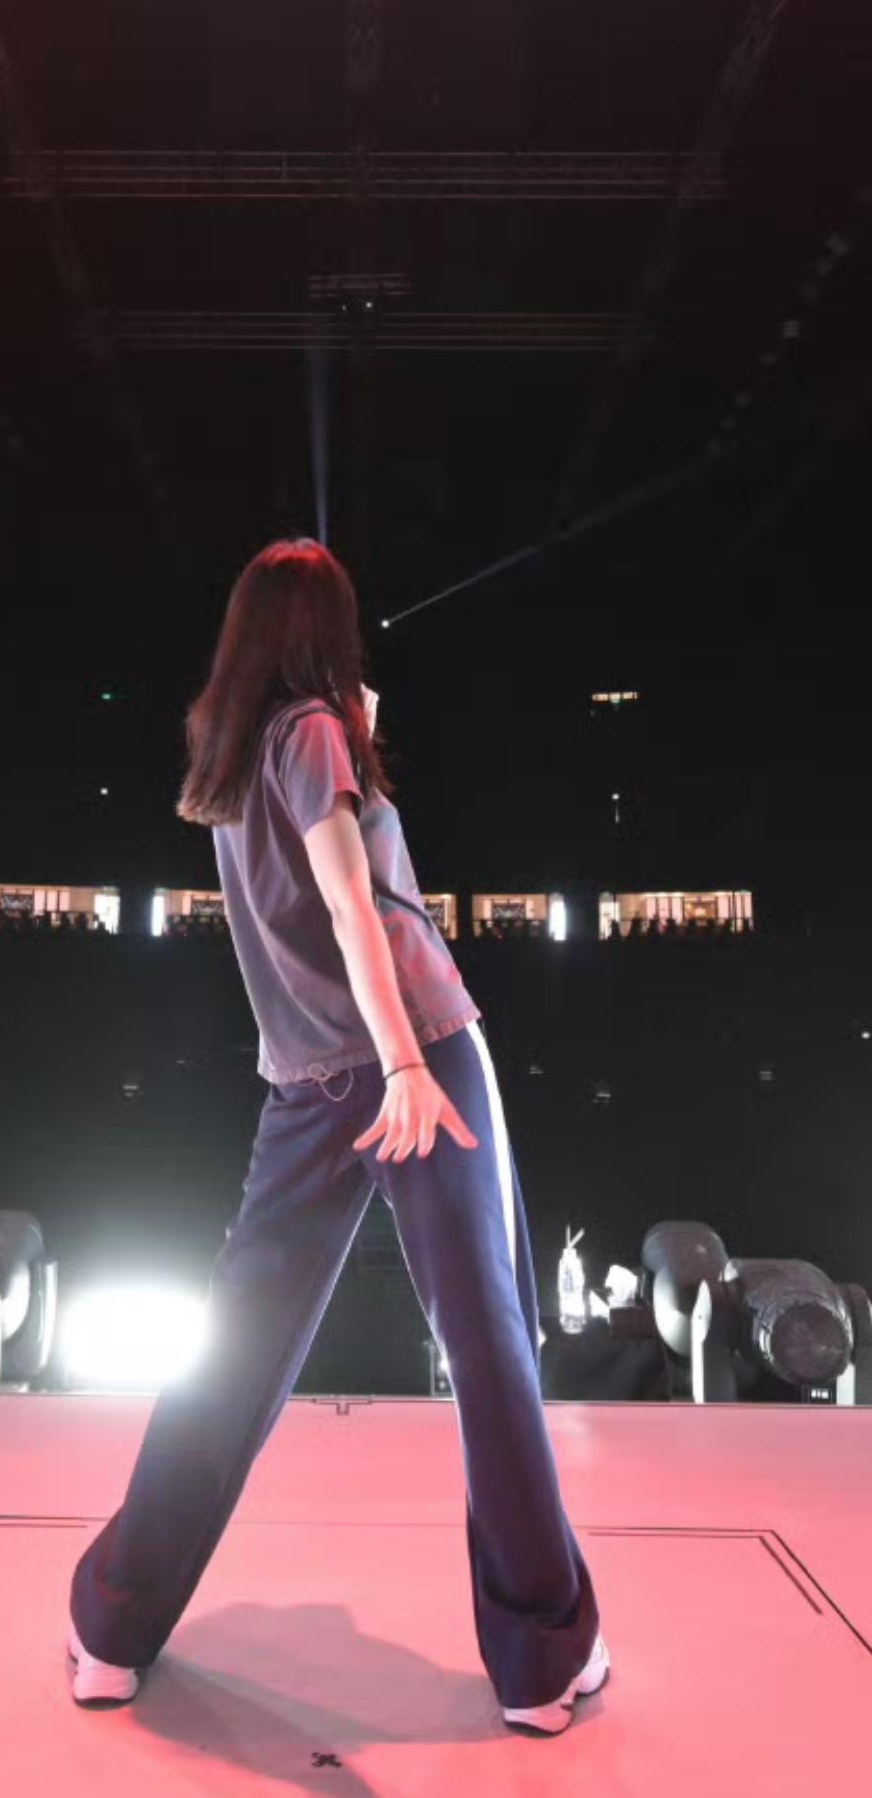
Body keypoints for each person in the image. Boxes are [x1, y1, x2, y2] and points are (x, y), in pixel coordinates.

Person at [68, 537, 608, 1734]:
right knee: (491, 1347)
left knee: (236, 1357)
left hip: (305, 1083)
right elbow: (357, 908)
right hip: (419, 1057)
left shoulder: (238, 747)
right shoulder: (313, 732)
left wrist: (356, 735)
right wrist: (406, 1063)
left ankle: (109, 1629)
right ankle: (539, 1658)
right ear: (327, 630)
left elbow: (321, 882)